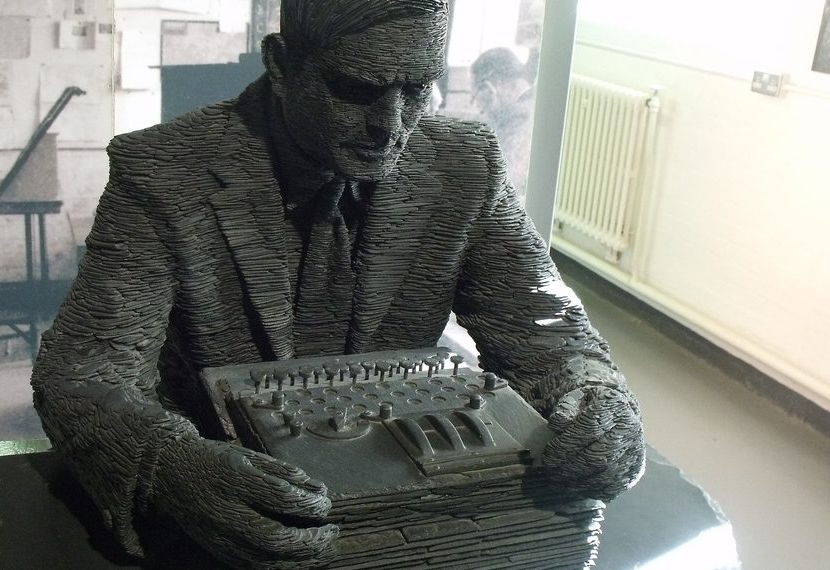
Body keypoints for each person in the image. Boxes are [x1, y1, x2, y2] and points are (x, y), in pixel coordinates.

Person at [32, 1, 645, 568]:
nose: (392, 124)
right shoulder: (164, 170)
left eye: (418, 88)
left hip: (407, 490)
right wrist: (171, 467)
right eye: (357, 90)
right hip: (233, 489)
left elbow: (543, 321)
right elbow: (86, 375)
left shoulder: (466, 162)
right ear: (280, 65)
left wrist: (591, 393)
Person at [470, 47, 536, 197]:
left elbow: (499, 187)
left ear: (489, 89)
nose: (481, 111)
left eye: (475, 99)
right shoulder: (531, 104)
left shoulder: (522, 121)